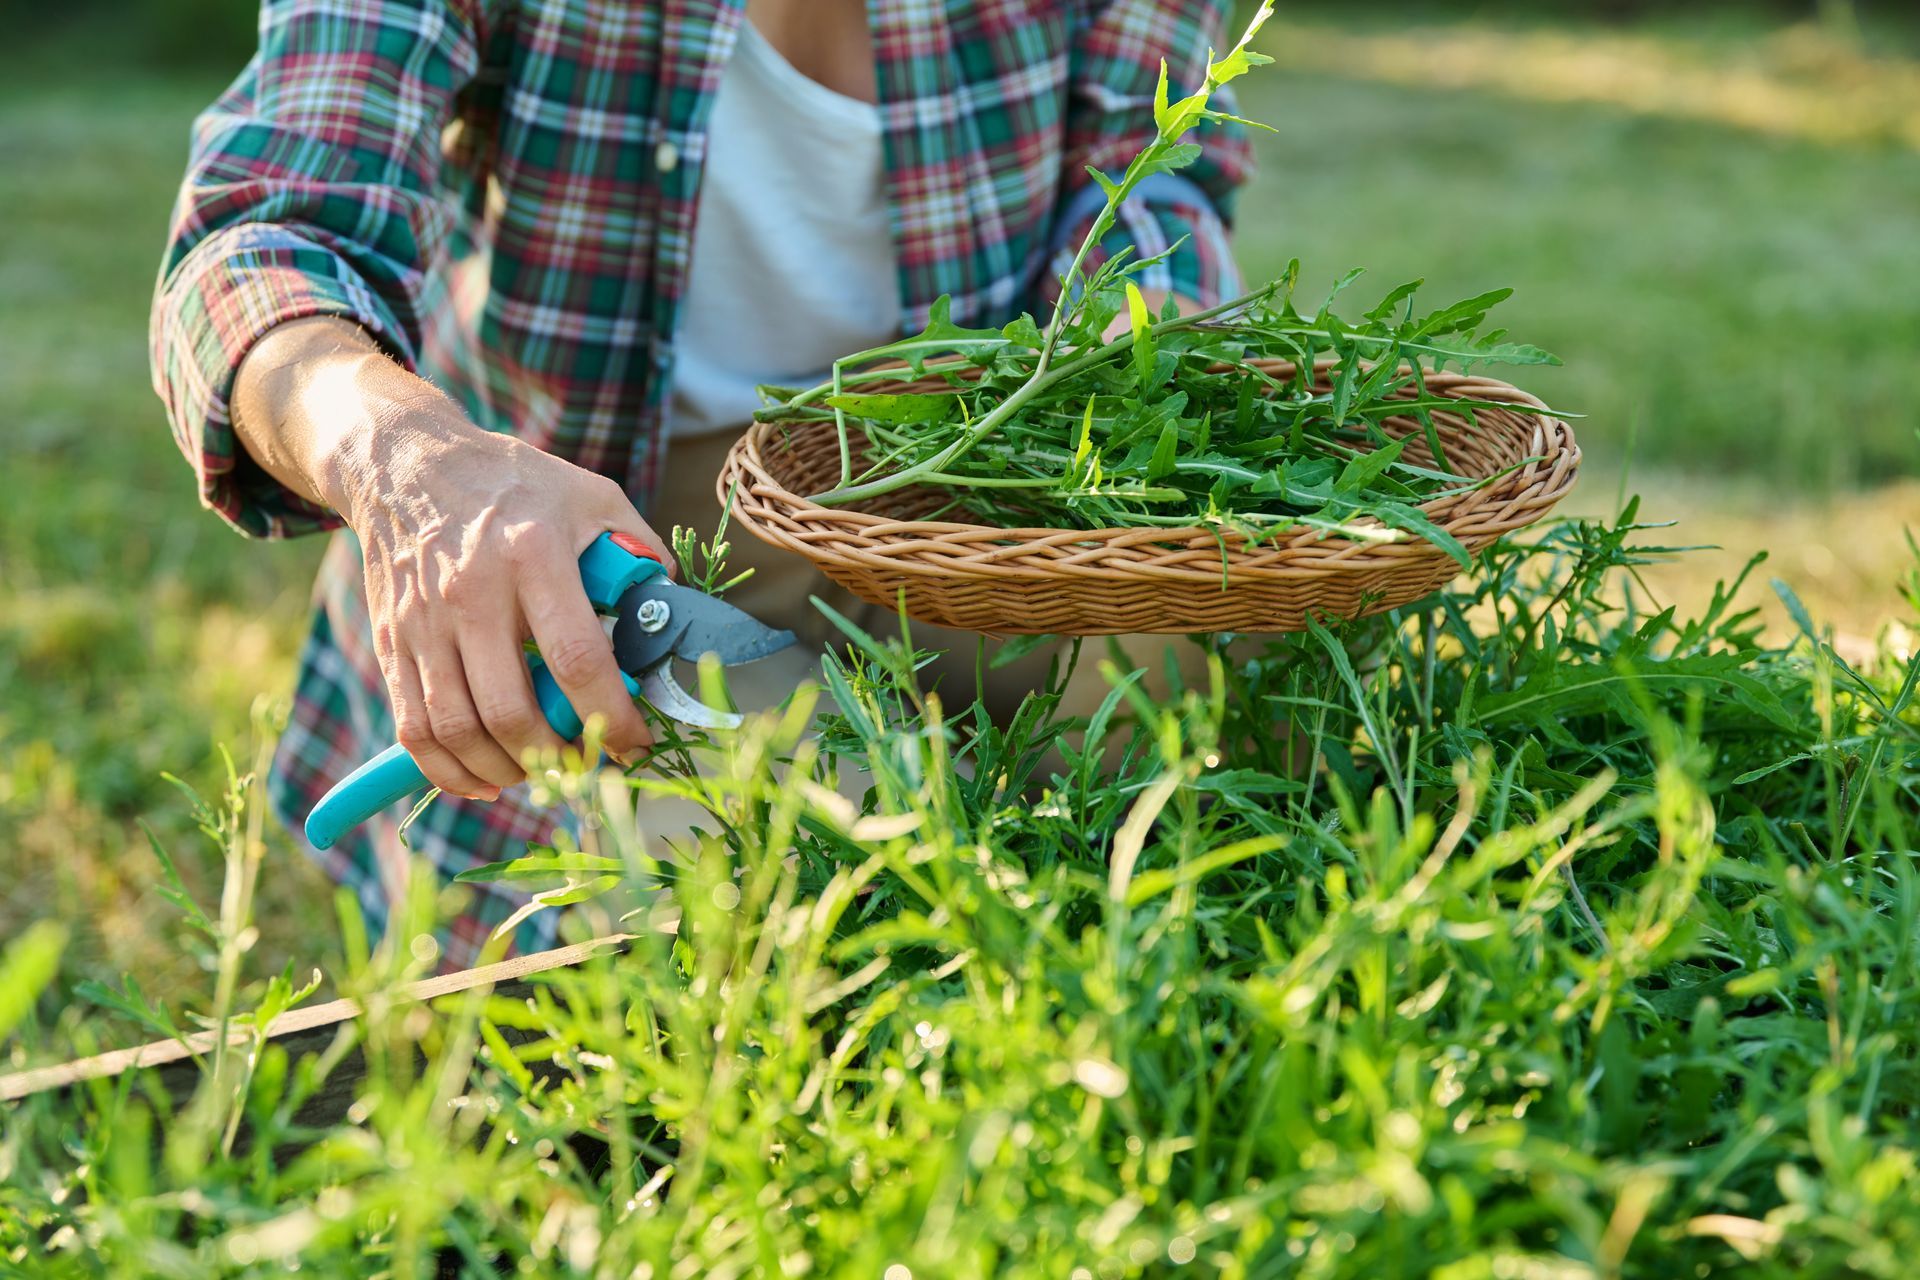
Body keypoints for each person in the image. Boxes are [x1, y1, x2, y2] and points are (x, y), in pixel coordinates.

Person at [151, 0, 1253, 968]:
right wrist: (407, 464)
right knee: (809, 924)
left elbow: (1155, 180)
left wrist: (1141, 331)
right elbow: (265, 237)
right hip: (605, 535)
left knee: (1223, 773)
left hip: (960, 499)